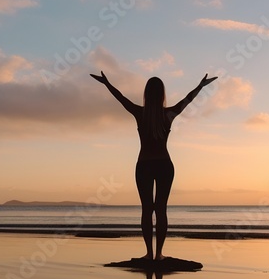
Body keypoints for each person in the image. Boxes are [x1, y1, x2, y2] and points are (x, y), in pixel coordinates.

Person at [91, 71, 217, 260]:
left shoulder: (139, 113)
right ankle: (158, 254)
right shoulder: (169, 114)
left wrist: (107, 83)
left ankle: (150, 254)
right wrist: (200, 86)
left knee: (147, 210)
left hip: (144, 166)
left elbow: (121, 98)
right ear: (162, 95)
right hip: (165, 165)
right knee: (161, 210)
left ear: (146, 94)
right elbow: (187, 100)